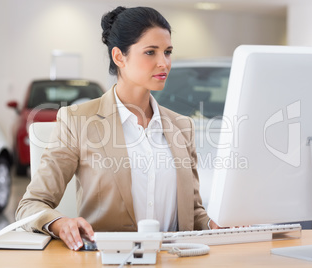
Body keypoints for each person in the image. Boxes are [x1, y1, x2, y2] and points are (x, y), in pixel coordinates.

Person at [16, 6, 219, 251]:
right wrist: (60, 223)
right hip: (108, 259)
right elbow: (31, 204)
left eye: (167, 52)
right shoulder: (78, 121)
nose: (163, 62)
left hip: (175, 259)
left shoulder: (182, 126)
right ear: (119, 57)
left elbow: (193, 212)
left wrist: (212, 223)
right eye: (150, 52)